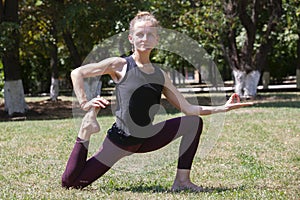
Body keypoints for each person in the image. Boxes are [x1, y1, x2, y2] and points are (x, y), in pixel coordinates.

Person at [61, 11, 253, 192]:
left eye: (150, 35)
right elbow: (77, 73)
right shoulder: (120, 65)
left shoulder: (161, 75)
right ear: (131, 38)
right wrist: (85, 104)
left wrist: (224, 108)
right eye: (140, 34)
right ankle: (85, 131)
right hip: (120, 141)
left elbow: (188, 108)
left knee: (193, 122)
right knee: (71, 184)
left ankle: (182, 181)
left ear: (157, 39)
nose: (145, 39)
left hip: (147, 138)